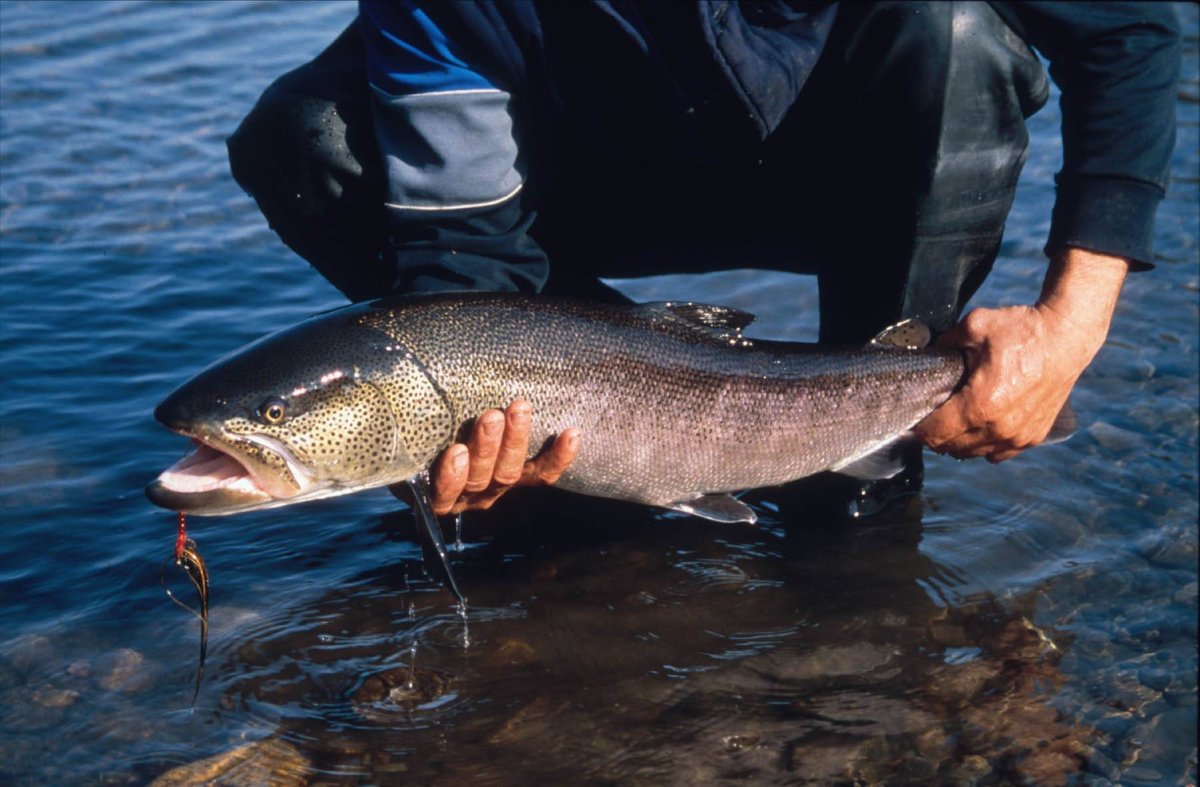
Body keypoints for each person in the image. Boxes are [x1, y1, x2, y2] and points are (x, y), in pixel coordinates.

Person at [227, 1, 1180, 519]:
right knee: (306, 138)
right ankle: (599, 465)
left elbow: (1127, 30)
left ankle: (865, 473)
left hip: (847, 158)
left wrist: (1071, 325)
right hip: (579, 177)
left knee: (956, 31)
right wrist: (477, 433)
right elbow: (463, 258)